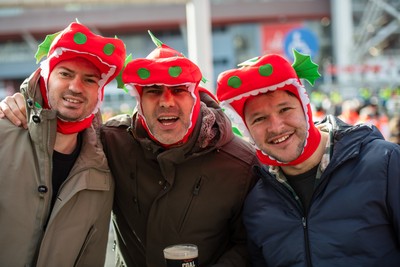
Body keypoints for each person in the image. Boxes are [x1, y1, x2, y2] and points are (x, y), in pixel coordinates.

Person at [0, 32, 259, 267]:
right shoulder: (112, 142)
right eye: (154, 91)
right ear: (139, 102)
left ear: (195, 99)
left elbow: (250, 243)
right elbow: (61, 119)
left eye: (178, 90)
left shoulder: (240, 162)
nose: (166, 101)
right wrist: (25, 101)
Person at [216, 50, 400, 266]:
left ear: (305, 108)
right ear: (247, 130)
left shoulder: (385, 164)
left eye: (285, 109)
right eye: (259, 119)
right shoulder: (257, 202)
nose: (276, 127)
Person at [0, 21, 126, 266]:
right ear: (45, 77)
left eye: (89, 80)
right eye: (66, 74)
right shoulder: (4, 134)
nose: (75, 87)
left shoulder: (103, 167)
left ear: (99, 92)